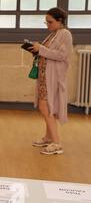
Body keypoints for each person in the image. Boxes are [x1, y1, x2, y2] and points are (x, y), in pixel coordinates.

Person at [29, 8, 73, 155]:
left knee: (45, 106)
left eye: (50, 22)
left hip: (53, 77)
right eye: (46, 22)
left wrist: (40, 49)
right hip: (44, 76)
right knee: (48, 107)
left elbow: (62, 55)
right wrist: (36, 50)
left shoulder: (65, 34)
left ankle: (57, 143)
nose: (47, 24)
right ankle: (49, 137)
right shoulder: (54, 34)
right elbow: (47, 53)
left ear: (59, 21)